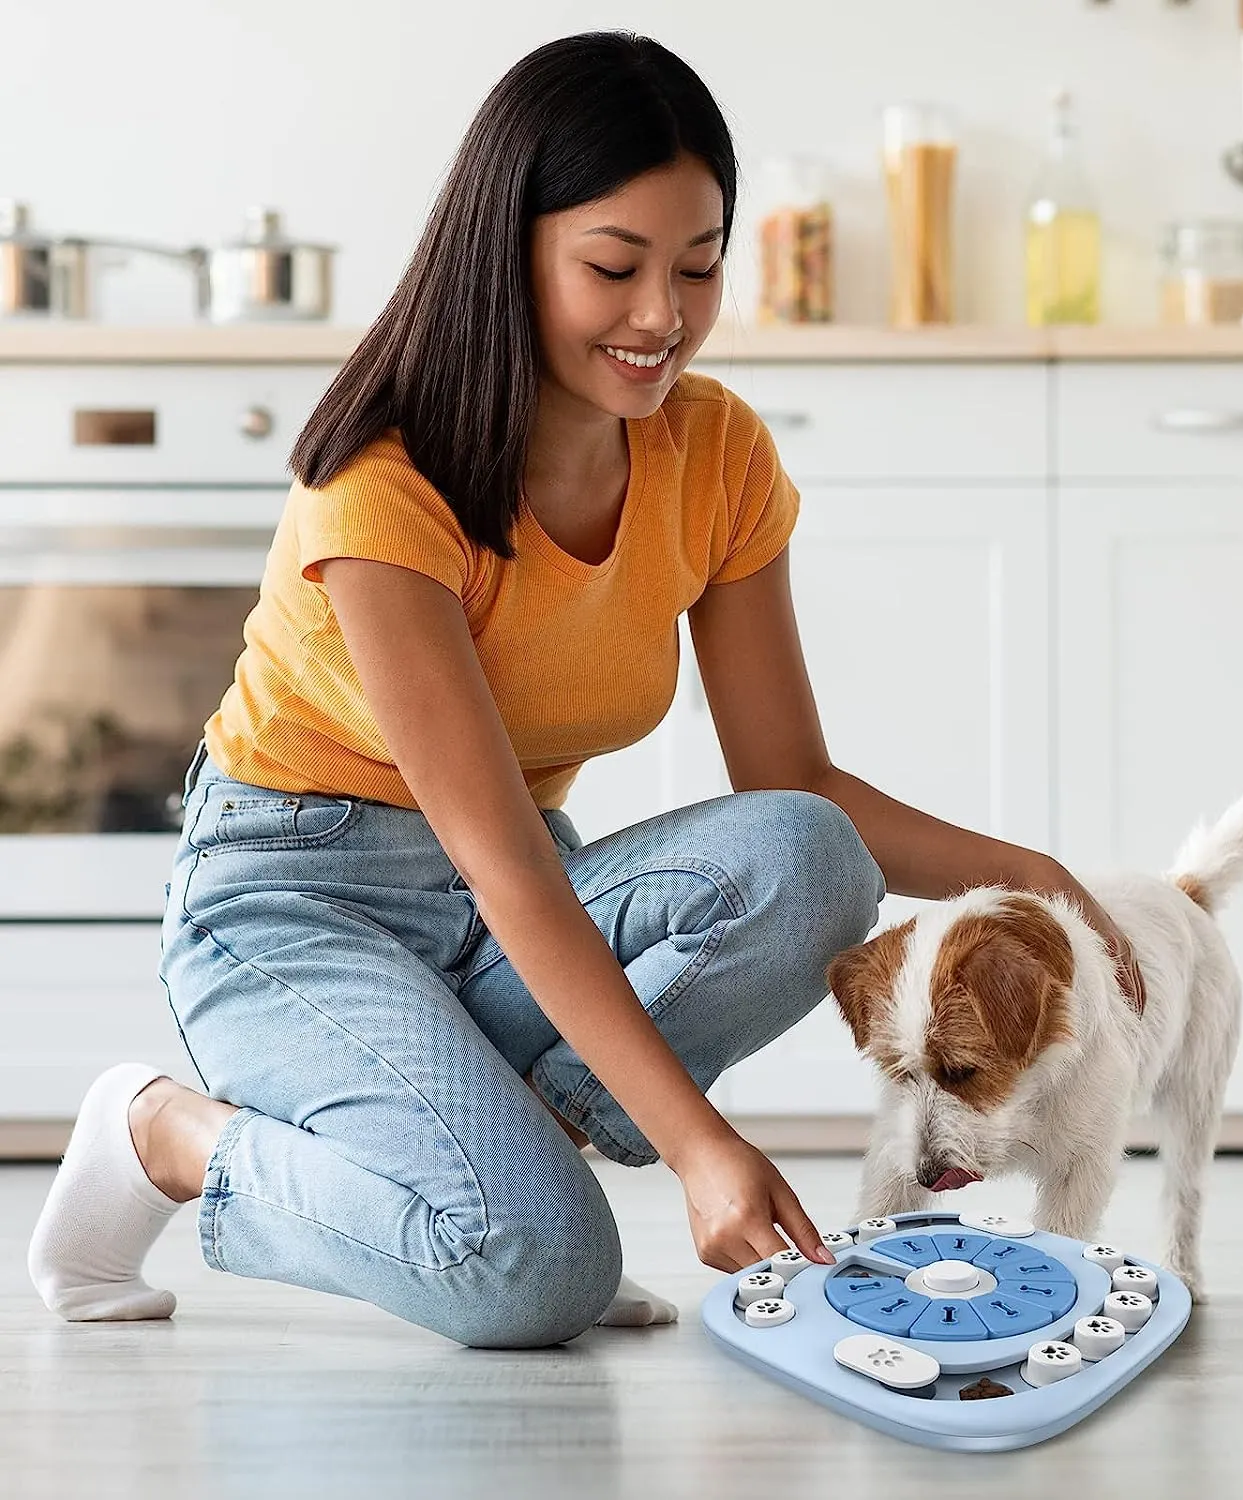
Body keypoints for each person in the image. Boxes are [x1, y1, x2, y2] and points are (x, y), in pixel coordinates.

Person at [27, 30, 1144, 1348]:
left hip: (508, 903)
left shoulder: (713, 453)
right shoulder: (386, 483)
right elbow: (503, 865)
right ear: (511, 252)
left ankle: (510, 1165)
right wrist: (699, 1146)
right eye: (613, 267)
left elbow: (793, 786)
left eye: (699, 264)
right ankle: (167, 1137)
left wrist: (1042, 879)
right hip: (296, 902)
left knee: (813, 857)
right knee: (531, 1278)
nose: (661, 315)